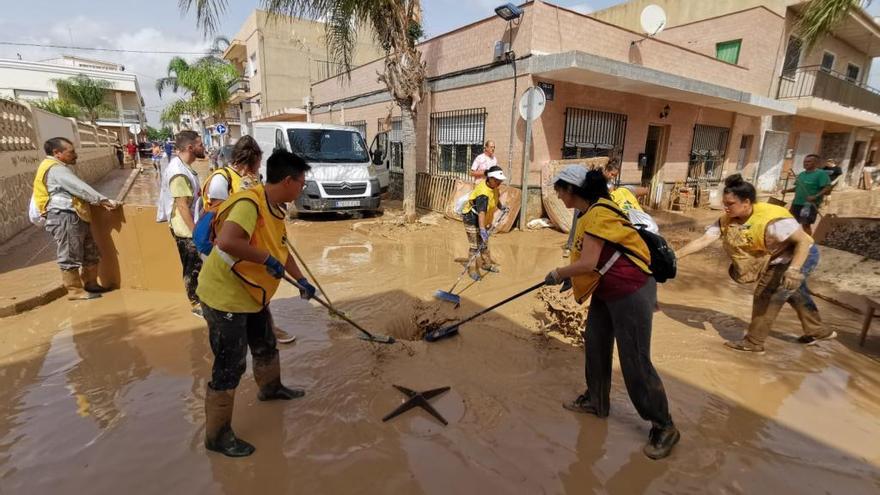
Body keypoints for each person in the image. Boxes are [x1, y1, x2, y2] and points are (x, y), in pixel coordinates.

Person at [544, 166, 678, 460]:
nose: (557, 194)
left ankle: (664, 425)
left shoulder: (599, 213)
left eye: (560, 189)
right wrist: (572, 277)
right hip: (607, 290)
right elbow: (593, 258)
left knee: (635, 360)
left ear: (572, 190)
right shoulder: (589, 212)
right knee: (595, 344)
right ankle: (596, 400)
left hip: (631, 290)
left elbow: (590, 261)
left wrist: (558, 272)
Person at [196, 148, 317, 458]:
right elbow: (227, 241)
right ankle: (217, 436)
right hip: (226, 296)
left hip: (252, 294)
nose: (303, 187)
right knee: (230, 365)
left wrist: (300, 279)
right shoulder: (250, 204)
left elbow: (281, 250)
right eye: (302, 182)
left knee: (264, 344)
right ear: (289, 181)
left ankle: (271, 388)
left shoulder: (275, 207)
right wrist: (264, 259)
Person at [677, 174, 836, 353]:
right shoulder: (726, 220)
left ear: (746, 202)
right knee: (793, 292)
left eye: (730, 204)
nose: (725, 208)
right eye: (724, 203)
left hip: (802, 255)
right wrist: (675, 256)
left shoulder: (773, 219)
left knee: (767, 295)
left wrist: (794, 270)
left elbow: (803, 242)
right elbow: (704, 240)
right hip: (775, 257)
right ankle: (818, 330)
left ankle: (753, 342)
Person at [202, 135, 296, 344]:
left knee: (263, 337)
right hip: (228, 257)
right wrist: (268, 259)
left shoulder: (254, 184)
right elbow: (220, 220)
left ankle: (268, 331)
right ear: (251, 160)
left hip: (250, 257)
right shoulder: (224, 180)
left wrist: (300, 279)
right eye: (258, 163)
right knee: (232, 360)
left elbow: (275, 237)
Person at [31, 137, 120, 300]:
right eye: (70, 152)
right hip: (64, 215)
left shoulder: (57, 167)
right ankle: (74, 290)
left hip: (75, 215)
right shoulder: (56, 169)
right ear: (57, 153)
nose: (75, 155)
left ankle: (91, 283)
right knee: (69, 253)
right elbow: (79, 188)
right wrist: (103, 200)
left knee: (89, 251)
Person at [563, 159, 654, 258]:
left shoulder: (611, 185)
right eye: (612, 174)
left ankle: (583, 247)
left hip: (596, 206)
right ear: (606, 170)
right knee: (578, 223)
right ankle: (571, 245)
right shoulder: (597, 177)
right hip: (587, 202)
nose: (613, 177)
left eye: (615, 176)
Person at [160, 130, 204, 317]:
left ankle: (201, 298)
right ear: (190, 147)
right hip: (185, 229)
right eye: (201, 144)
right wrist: (196, 232)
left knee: (198, 265)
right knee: (192, 267)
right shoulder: (178, 172)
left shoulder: (184, 167)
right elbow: (182, 206)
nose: (204, 148)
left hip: (190, 225)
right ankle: (196, 303)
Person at [460, 165, 507, 280]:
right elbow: (481, 213)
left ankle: (486, 265)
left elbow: (496, 198)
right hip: (471, 218)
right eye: (497, 180)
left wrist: (501, 207)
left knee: (484, 244)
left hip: (482, 219)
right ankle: (472, 270)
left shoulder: (494, 186)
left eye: (500, 180)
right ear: (490, 178)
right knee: (475, 246)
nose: (499, 182)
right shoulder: (483, 194)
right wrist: (482, 230)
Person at [784, 154, 832, 236]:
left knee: (805, 224)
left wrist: (815, 196)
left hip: (808, 205)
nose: (805, 163)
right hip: (796, 203)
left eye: (809, 162)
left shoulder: (821, 174)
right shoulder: (802, 174)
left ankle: (809, 244)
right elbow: (799, 187)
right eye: (804, 161)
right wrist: (787, 190)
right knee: (791, 222)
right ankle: (793, 241)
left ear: (815, 163)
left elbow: (827, 188)